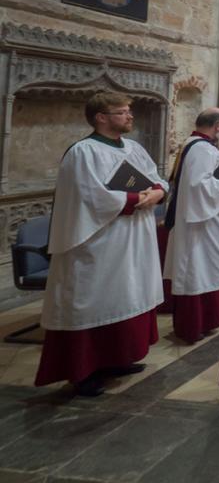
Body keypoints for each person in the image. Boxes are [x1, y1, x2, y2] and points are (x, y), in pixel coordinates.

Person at [35, 92, 167, 397]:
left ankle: (116, 358)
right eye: (122, 112)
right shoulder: (83, 152)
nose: (129, 116)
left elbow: (156, 178)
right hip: (99, 241)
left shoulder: (133, 148)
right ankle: (85, 370)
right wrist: (136, 198)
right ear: (101, 118)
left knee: (125, 294)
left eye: (129, 111)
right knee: (94, 299)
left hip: (132, 237)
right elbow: (90, 196)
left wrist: (158, 192)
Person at [163, 108, 219, 345]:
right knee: (197, 271)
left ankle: (210, 317)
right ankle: (193, 324)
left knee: (210, 270)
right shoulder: (201, 150)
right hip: (200, 225)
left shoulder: (196, 146)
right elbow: (199, 187)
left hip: (209, 222)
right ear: (218, 126)